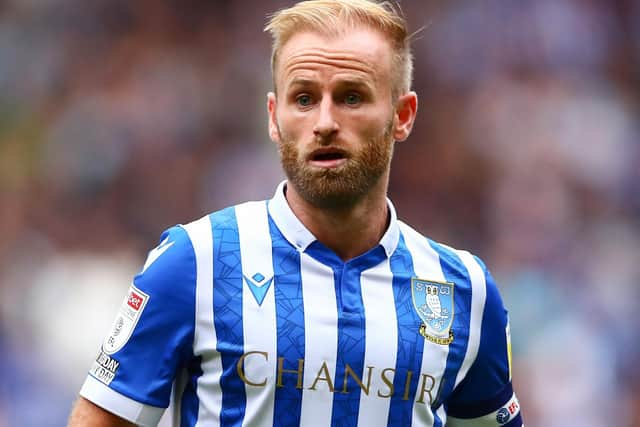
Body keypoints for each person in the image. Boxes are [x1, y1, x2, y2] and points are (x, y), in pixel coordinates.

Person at [68, 0, 523, 426]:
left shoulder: (463, 290)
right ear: (273, 115)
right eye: (304, 99)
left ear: (402, 115)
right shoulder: (197, 261)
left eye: (351, 97)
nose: (324, 122)